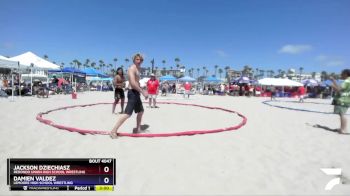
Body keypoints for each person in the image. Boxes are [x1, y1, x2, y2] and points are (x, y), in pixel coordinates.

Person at [110, 53, 148, 139]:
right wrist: (143, 92)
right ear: (134, 60)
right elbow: (133, 83)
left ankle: (137, 129)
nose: (139, 61)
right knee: (127, 114)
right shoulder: (132, 69)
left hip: (136, 93)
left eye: (141, 60)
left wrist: (141, 88)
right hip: (132, 93)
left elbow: (136, 83)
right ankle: (113, 131)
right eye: (137, 59)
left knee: (141, 111)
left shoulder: (138, 69)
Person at [331, 69, 350, 134]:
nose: (341, 75)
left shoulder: (347, 81)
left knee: (342, 114)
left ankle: (343, 129)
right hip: (347, 99)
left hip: (342, 99)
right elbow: (340, 87)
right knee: (342, 114)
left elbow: (338, 89)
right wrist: (333, 81)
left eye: (342, 74)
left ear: (346, 74)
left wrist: (333, 86)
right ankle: (342, 128)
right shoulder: (348, 81)